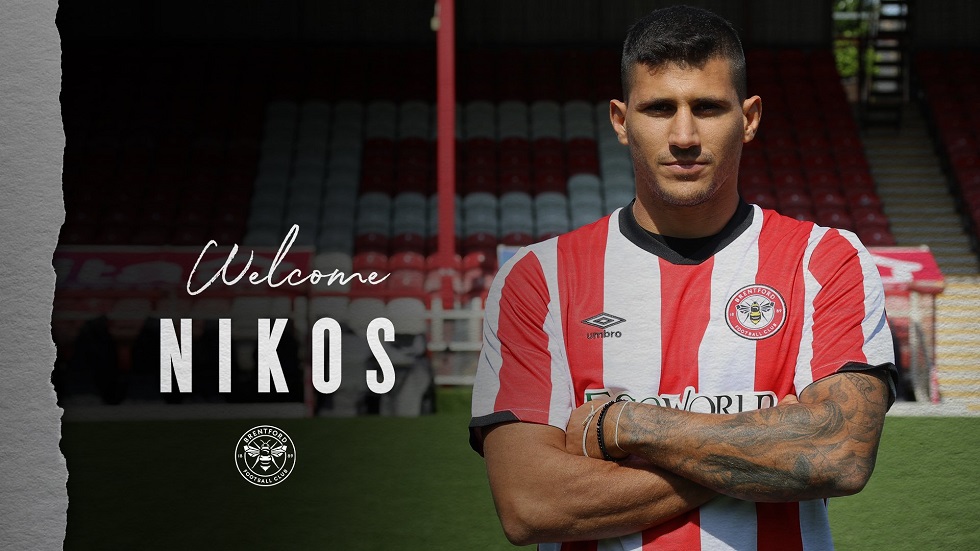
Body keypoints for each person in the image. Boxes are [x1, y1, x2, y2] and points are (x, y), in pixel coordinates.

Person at [468, 5, 898, 550]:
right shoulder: (538, 278)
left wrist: (627, 426)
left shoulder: (826, 259)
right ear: (621, 121)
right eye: (659, 108)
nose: (684, 135)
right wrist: (768, 445)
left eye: (708, 107)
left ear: (749, 118)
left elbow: (839, 454)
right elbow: (530, 504)